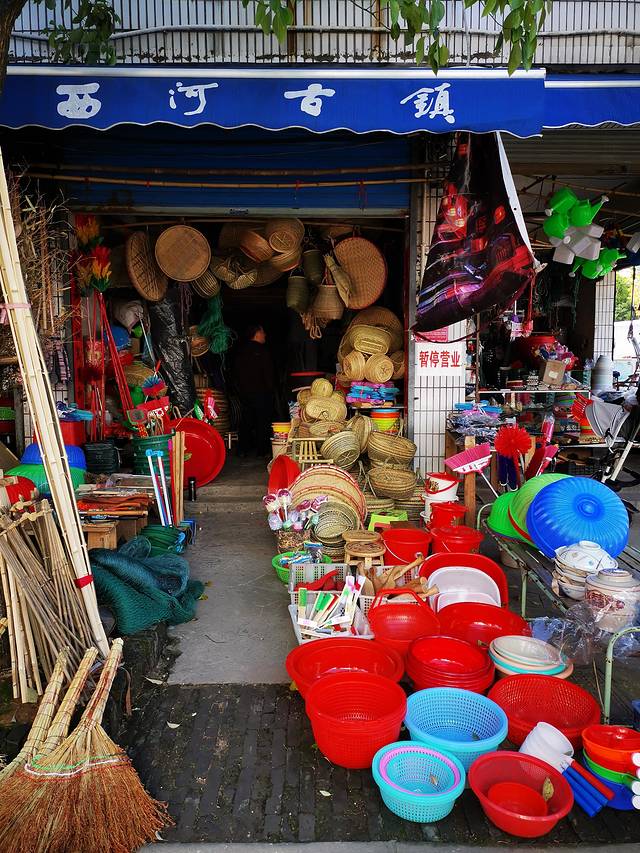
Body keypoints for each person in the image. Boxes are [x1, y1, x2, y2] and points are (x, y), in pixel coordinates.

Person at [231, 324, 274, 456]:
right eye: (263, 332)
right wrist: (271, 391)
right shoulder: (263, 351)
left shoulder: (240, 352)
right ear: (256, 334)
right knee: (263, 421)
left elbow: (235, 374)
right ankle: (262, 451)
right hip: (261, 393)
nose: (265, 335)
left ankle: (242, 450)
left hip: (244, 393)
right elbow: (268, 375)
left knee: (246, 420)